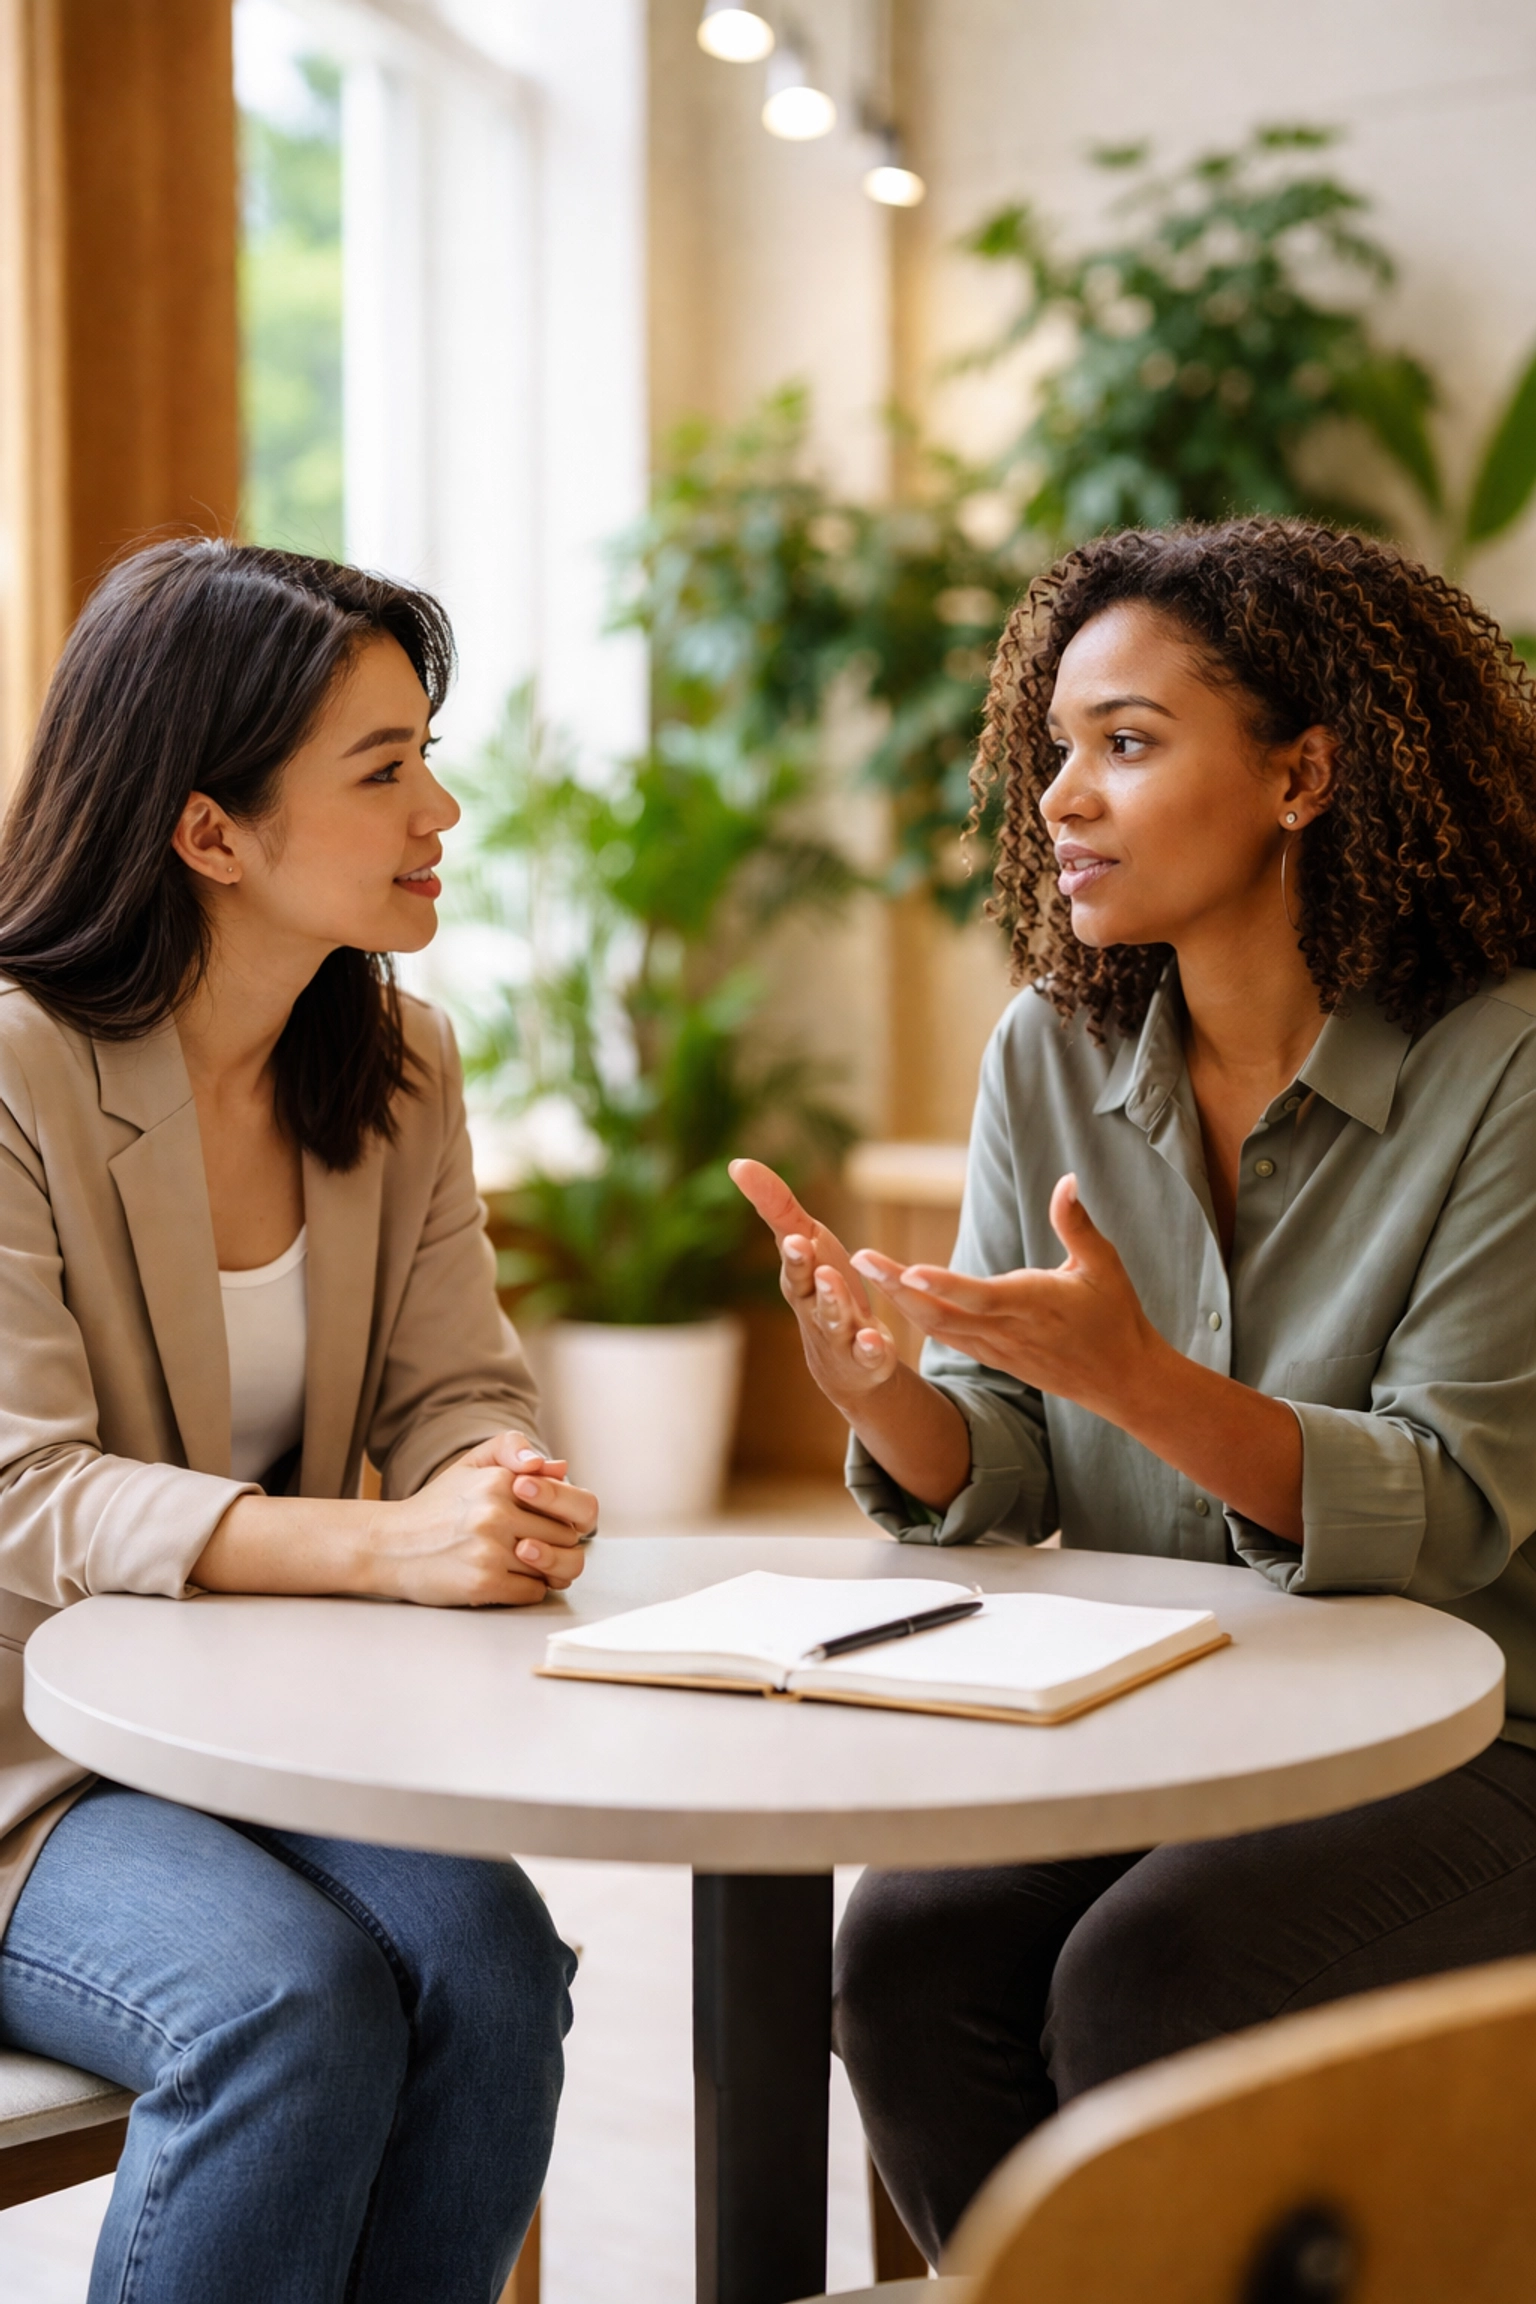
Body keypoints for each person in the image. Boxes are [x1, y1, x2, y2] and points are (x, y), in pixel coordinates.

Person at [733, 517, 1536, 2266]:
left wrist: (1143, 1383)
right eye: (1055, 752)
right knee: (908, 1953)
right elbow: (1003, 1455)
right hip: (1166, 1715)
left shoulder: (1510, 1064)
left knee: (1151, 1977)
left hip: (1485, 1734)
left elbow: (1454, 1503)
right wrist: (884, 1393)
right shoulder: (1056, 1050)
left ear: (1305, 774)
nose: (1061, 801)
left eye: (1127, 744)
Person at [0, 539, 596, 2304]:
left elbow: (453, 1388)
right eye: (386, 766)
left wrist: (492, 1482)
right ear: (209, 832)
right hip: (25, 1754)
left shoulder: (400, 1066)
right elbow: (21, 1490)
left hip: (244, 1721)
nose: (446, 805)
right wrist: (383, 1546)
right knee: (287, 2002)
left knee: (492, 1961)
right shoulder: (13, 1066)